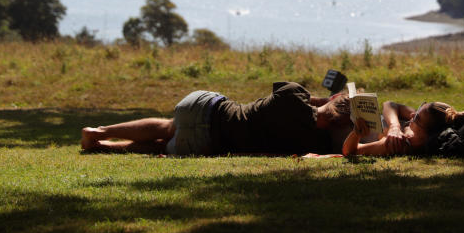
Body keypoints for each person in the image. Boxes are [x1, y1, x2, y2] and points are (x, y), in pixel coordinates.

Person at [81, 81, 351, 155]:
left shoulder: (293, 93)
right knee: (163, 146)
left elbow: (304, 99)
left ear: (333, 101)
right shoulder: (311, 142)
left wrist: (327, 99)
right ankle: (104, 147)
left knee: (168, 126)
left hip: (205, 107)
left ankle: (99, 132)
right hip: (207, 143)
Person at [342, 100, 464, 156]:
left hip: (340, 131)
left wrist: (356, 133)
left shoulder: (400, 143)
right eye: (420, 108)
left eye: (417, 118)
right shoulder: (419, 123)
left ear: (426, 135)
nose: (412, 114)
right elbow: (390, 104)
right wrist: (394, 125)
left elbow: (350, 151)